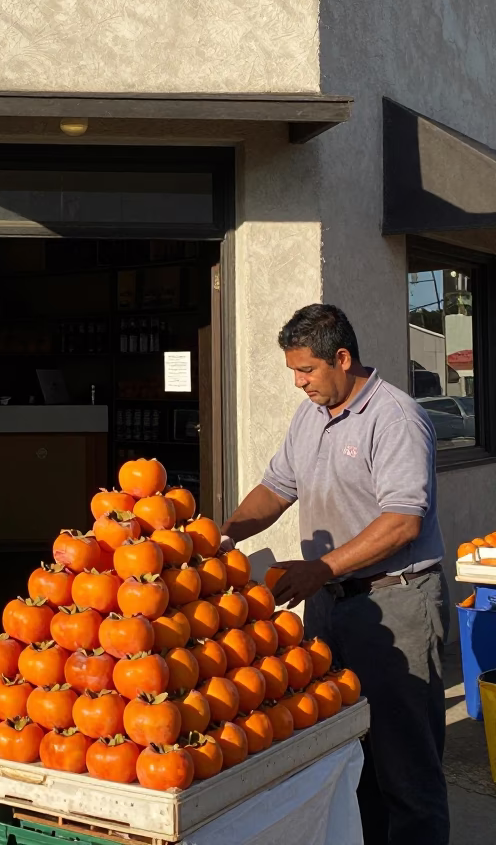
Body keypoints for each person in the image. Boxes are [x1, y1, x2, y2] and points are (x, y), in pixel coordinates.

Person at [220, 303, 450, 845]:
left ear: (341, 358)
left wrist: (320, 567)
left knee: (407, 769)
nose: (299, 383)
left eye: (307, 371)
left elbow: (402, 523)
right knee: (350, 756)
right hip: (328, 605)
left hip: (395, 605)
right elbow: (277, 487)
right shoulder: (310, 415)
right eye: (293, 372)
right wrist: (224, 535)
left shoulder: (395, 419)